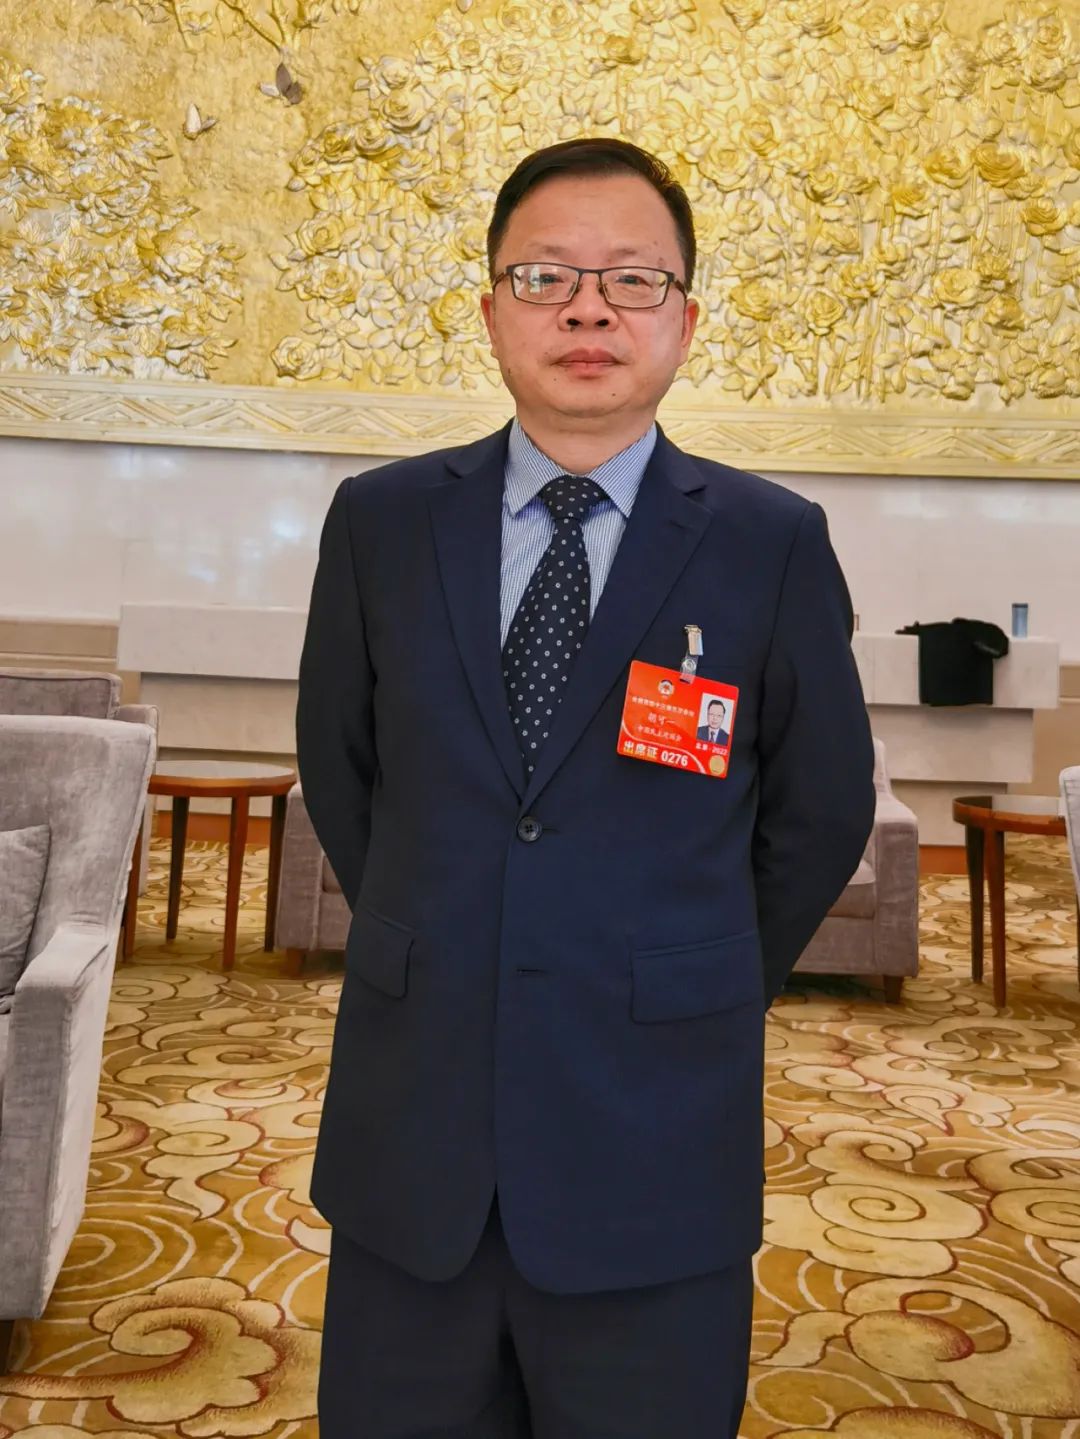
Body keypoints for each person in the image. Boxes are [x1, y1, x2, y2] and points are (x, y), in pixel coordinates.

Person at [298, 136, 875, 1439]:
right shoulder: (380, 523)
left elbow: (820, 808)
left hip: (653, 1132)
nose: (589, 310)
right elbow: (344, 768)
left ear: (686, 318)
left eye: (633, 280)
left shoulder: (770, 543)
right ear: (491, 308)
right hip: (414, 1130)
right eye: (547, 275)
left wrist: (697, 972)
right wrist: (442, 926)